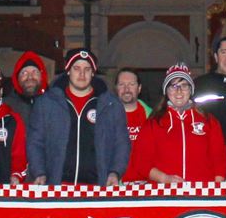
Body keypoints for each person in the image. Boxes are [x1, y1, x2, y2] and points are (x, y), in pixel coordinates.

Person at [29, 48, 130, 186]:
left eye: (87, 69)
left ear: (93, 73)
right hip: (58, 185)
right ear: (68, 71)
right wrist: (39, 172)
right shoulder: (47, 103)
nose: (82, 74)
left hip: (97, 187)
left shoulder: (111, 105)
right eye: (76, 68)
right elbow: (35, 141)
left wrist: (115, 172)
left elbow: (121, 142)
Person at [127, 65, 226, 183]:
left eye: (184, 85)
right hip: (164, 192)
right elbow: (140, 162)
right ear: (166, 91)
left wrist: (214, 190)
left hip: (201, 192)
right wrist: (164, 178)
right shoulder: (153, 124)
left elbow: (219, 161)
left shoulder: (209, 122)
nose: (179, 91)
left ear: (191, 90)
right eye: (173, 86)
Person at [9, 51, 51, 125]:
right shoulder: (7, 107)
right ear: (17, 78)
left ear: (42, 76)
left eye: (35, 72)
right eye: (24, 73)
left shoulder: (54, 105)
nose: (30, 77)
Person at [115, 68, 150, 144]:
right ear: (116, 88)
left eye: (131, 84)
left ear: (139, 88)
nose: (126, 89)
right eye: (121, 84)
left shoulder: (153, 117)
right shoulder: (105, 116)